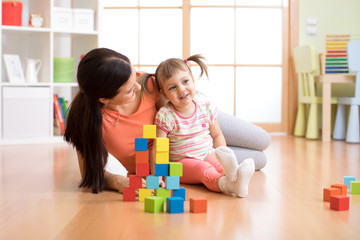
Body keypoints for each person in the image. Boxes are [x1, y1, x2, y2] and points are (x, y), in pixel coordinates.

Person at [65, 48, 271, 195]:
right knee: (259, 159)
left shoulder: (146, 83)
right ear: (104, 99)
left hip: (192, 120)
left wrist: (208, 131)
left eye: (133, 75)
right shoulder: (89, 123)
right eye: (129, 89)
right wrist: (118, 181)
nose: (138, 87)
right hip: (178, 158)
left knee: (262, 140)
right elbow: (90, 174)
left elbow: (177, 106)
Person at [144, 55, 256, 197]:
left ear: (192, 79)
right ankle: (229, 185)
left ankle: (235, 178)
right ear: (163, 93)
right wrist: (157, 177)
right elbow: (157, 149)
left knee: (219, 166)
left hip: (207, 153)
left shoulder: (206, 106)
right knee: (204, 169)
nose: (181, 89)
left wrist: (224, 155)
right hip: (181, 164)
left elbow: (217, 135)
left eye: (185, 81)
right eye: (173, 87)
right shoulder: (166, 115)